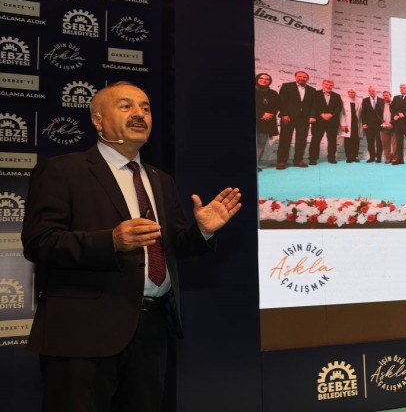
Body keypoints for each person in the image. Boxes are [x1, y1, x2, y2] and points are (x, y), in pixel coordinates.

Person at [21, 81, 242, 412]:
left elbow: (171, 246)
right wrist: (110, 240)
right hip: (82, 334)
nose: (139, 113)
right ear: (97, 120)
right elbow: (40, 242)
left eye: (145, 108)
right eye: (126, 106)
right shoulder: (62, 170)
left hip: (151, 331)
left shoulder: (161, 179)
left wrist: (202, 232)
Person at [276, 70, 316, 170]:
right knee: (285, 139)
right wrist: (284, 114)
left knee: (301, 140)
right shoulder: (287, 86)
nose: (302, 78)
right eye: (300, 76)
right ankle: (281, 161)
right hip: (288, 117)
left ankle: (298, 160)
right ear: (295, 77)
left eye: (304, 77)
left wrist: (312, 116)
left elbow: (313, 105)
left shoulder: (312, 90)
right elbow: (281, 101)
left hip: (304, 119)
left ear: (307, 79)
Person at [308, 79, 343, 165]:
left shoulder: (337, 96)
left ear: (333, 86)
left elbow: (339, 107)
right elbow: (313, 105)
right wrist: (321, 114)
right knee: (315, 140)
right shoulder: (316, 94)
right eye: (327, 84)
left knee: (332, 140)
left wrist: (331, 114)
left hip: (332, 121)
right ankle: (313, 158)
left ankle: (331, 157)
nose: (328, 86)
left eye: (330, 85)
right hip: (318, 121)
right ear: (323, 85)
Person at [255, 73, 279, 172]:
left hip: (265, 122)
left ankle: (256, 164)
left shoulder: (273, 93)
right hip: (256, 118)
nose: (264, 80)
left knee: (261, 143)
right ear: (257, 79)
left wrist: (269, 115)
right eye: (261, 78)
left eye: (267, 79)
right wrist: (261, 114)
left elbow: (276, 106)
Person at [391, 83, 406, 165]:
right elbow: (392, 108)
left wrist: (404, 114)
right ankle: (400, 159)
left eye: (403, 88)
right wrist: (394, 115)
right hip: (398, 124)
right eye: (400, 87)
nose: (402, 89)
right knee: (399, 142)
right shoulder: (395, 98)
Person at [360, 85, 383, 163]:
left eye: (373, 91)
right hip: (369, 125)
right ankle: (372, 157)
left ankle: (379, 158)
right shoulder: (365, 100)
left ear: (376, 91)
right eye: (370, 91)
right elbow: (363, 113)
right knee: (370, 142)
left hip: (379, 125)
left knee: (379, 142)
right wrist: (364, 123)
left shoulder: (381, 100)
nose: (371, 92)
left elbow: (383, 113)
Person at [340, 88, 362, 163]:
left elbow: (361, 113)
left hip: (356, 123)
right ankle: (349, 157)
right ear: (347, 93)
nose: (351, 93)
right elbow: (341, 113)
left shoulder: (359, 101)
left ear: (355, 93)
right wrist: (343, 124)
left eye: (353, 92)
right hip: (347, 123)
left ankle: (355, 156)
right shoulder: (344, 101)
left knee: (356, 140)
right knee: (348, 141)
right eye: (349, 92)